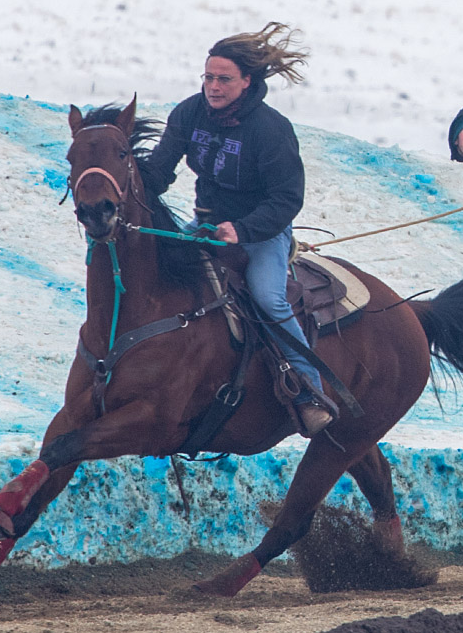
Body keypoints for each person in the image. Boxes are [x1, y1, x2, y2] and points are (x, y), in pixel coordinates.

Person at [143, 23, 334, 437]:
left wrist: (243, 229)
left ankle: (309, 393)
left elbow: (287, 198)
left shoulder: (271, 129)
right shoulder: (188, 113)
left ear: (247, 82)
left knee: (269, 299)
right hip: (205, 225)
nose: (213, 86)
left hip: (263, 233)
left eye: (223, 79)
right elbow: (159, 171)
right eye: (208, 77)